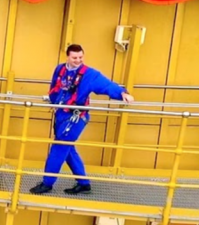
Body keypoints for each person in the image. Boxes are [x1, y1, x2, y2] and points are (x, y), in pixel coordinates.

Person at [30, 44, 134, 195]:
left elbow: (105, 84)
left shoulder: (89, 74)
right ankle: (83, 183)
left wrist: (122, 93)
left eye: (80, 57)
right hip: (61, 114)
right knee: (68, 148)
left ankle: (47, 183)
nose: (78, 60)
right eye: (74, 58)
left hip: (76, 117)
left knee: (60, 146)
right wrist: (53, 100)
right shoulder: (60, 69)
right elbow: (55, 86)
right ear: (68, 57)